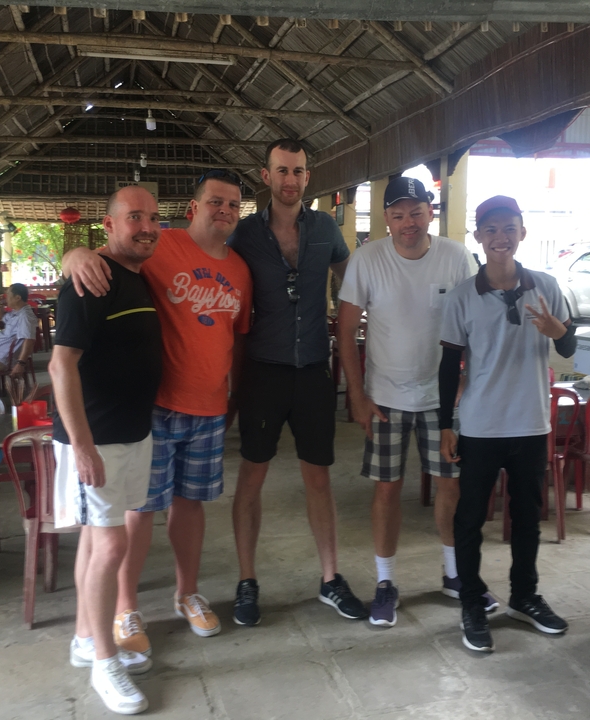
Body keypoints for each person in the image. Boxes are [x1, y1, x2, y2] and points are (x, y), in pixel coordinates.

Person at [62, 169, 253, 649]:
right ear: (194, 208)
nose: (224, 211)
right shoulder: (160, 245)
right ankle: (126, 609)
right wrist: (74, 254)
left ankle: (187, 593)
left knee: (190, 505)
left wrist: (234, 395)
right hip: (158, 406)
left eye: (233, 204)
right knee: (139, 510)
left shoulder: (240, 270)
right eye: (215, 202)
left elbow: (238, 339)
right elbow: (104, 259)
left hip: (209, 408)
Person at [337, 176, 490, 628]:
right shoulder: (367, 260)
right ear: (386, 218)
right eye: (399, 214)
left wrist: (468, 381)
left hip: (442, 401)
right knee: (387, 490)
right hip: (384, 399)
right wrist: (357, 396)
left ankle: (455, 574)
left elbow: (476, 323)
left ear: (431, 212)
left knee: (451, 486)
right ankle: (386, 583)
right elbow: (345, 332)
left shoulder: (457, 257)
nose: (408, 222)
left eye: (416, 212)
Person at [228, 138, 365, 626]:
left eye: (299, 171)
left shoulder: (327, 227)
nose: (290, 180)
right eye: (282, 170)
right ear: (265, 176)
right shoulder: (243, 234)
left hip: (312, 370)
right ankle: (247, 581)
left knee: (319, 478)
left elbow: (356, 278)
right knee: (252, 475)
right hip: (262, 370)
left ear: (310, 177)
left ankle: (330, 579)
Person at [438, 195, 576, 653]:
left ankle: (524, 595)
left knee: (527, 519)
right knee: (470, 519)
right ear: (478, 237)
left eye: (509, 228)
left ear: (522, 233)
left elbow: (569, 345)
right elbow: (448, 365)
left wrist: (559, 333)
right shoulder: (462, 296)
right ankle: (473, 602)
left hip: (531, 423)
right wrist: (445, 424)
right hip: (479, 426)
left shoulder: (547, 286)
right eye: (491, 229)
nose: (501, 237)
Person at [49, 185, 163, 715]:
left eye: (153, 218)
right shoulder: (88, 278)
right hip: (96, 439)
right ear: (110, 224)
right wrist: (82, 446)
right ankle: (103, 659)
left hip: (132, 434)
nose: (145, 226)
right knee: (111, 548)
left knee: (99, 546)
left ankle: (83, 638)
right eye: (134, 217)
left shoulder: (135, 277)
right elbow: (60, 365)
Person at [0, 283, 35, 380]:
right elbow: (0, 317)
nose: (6, 298)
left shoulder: (25, 316)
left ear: (17, 297)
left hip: (1, 357)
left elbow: (29, 340)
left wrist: (21, 363)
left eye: (8, 295)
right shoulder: (16, 312)